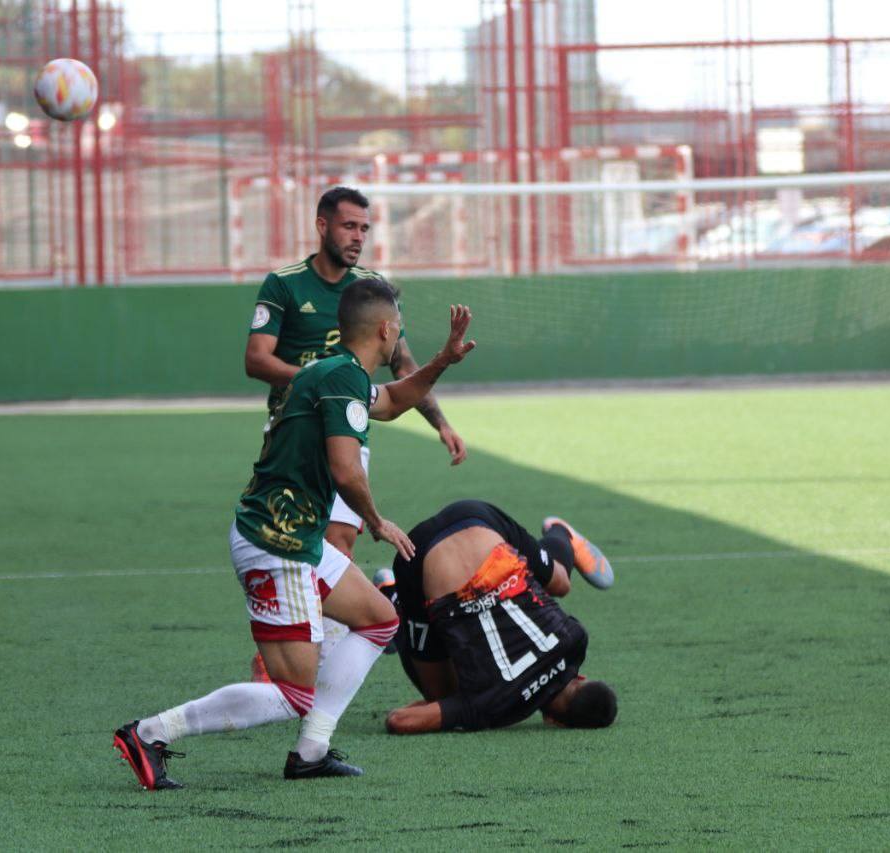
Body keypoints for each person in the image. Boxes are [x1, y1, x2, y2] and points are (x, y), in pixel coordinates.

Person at [114, 281, 476, 790]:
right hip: (274, 544)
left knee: (378, 620)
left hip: (296, 539)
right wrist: (377, 522)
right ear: (386, 329)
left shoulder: (335, 372)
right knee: (291, 694)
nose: (401, 333)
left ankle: (311, 751)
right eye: (401, 326)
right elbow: (346, 471)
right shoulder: (340, 378)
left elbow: (393, 400)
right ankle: (149, 733)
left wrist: (442, 360)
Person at [243, 185, 467, 677]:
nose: (358, 237)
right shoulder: (284, 284)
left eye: (365, 228)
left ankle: (314, 653)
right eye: (349, 226)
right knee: (292, 536)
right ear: (322, 225)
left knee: (339, 540)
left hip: (347, 430)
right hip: (294, 433)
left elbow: (402, 367)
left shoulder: (371, 287)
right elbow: (255, 359)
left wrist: (440, 422)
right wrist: (318, 381)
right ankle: (293, 635)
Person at [377, 500, 617, 735]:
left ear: (581, 677)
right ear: (554, 721)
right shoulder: (491, 705)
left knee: (561, 583)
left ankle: (561, 533)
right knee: (442, 697)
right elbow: (399, 721)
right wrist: (452, 710)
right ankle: (392, 598)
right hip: (415, 555)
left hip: (477, 516)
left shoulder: (576, 640)